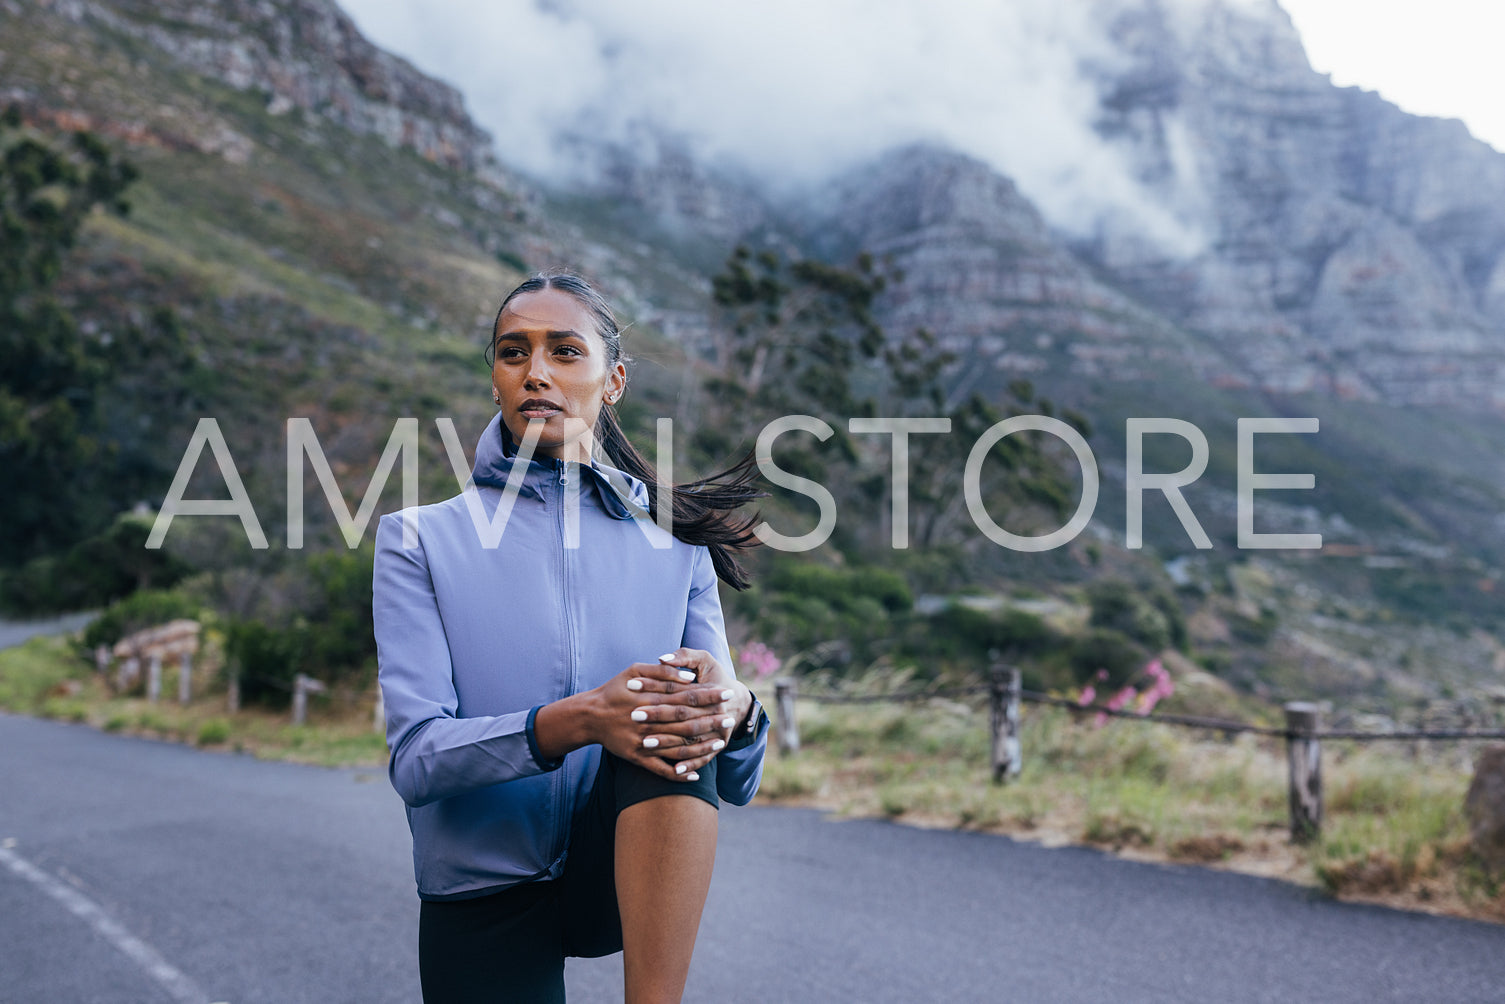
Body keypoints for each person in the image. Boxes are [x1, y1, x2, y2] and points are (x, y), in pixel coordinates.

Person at [372, 270, 771, 1003]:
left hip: (617, 869)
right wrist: (584, 720)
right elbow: (417, 762)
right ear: (493, 377)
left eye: (563, 351)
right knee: (637, 712)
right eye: (512, 353)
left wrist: (739, 712)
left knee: (668, 708)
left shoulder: (675, 544)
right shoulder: (418, 540)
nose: (535, 374)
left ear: (611, 380)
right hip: (481, 887)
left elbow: (737, 779)